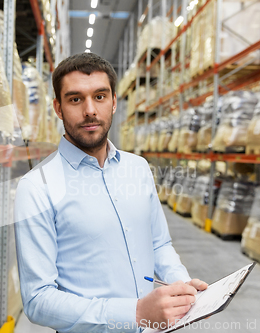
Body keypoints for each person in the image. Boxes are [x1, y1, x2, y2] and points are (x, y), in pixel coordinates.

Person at [14, 53, 208, 333]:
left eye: (100, 97)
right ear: (58, 108)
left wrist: (181, 286)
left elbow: (158, 244)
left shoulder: (138, 168)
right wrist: (136, 313)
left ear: (114, 102)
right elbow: (38, 300)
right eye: (75, 99)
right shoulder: (36, 187)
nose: (90, 110)